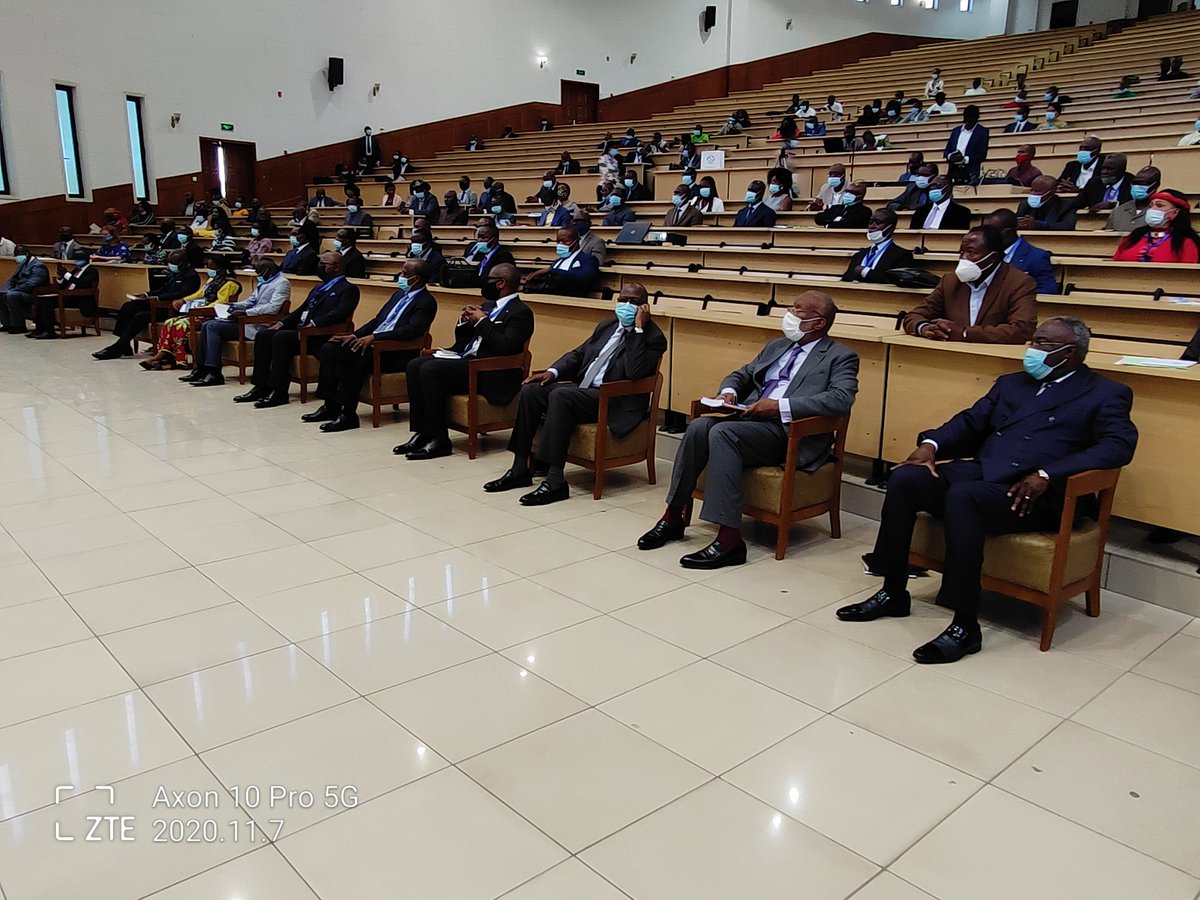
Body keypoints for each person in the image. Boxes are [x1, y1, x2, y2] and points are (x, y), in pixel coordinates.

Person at [841, 316, 1137, 662]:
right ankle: (893, 591)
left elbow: (1118, 446)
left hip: (1037, 494)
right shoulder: (1012, 384)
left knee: (964, 497)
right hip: (987, 472)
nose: (1031, 349)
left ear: (1069, 352)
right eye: (1033, 341)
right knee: (906, 478)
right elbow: (971, 422)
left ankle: (965, 626)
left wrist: (1047, 473)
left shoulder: (1105, 393)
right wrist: (932, 445)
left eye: (1041, 343)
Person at [636, 291, 859, 569]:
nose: (789, 314)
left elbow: (841, 399)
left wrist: (779, 406)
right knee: (699, 426)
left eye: (798, 310)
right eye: (791, 307)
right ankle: (673, 516)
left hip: (788, 432)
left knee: (723, 433)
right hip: (750, 420)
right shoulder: (777, 346)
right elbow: (741, 374)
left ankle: (729, 540)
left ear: (818, 322)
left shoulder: (840, 356)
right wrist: (729, 392)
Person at [486, 283, 667, 505]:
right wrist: (552, 372)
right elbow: (579, 354)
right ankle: (519, 468)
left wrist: (638, 330)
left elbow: (635, 371)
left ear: (644, 307)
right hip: (586, 391)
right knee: (532, 390)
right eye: (623, 300)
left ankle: (555, 481)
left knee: (561, 396)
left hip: (614, 399)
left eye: (634, 302)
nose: (626, 305)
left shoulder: (653, 337)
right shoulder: (608, 325)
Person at [395, 264, 534, 460]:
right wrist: (464, 322)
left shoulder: (521, 313)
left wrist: (482, 322)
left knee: (431, 369)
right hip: (468, 361)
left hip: (491, 371)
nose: (484, 283)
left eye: (489, 279)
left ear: (501, 283)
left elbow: (506, 346)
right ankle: (423, 432)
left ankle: (439, 440)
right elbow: (464, 342)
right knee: (415, 364)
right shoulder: (488, 306)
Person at [303, 259, 438, 432]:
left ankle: (348, 414)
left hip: (396, 352)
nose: (400, 276)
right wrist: (354, 335)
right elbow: (377, 321)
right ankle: (330, 405)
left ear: (416, 278)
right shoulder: (398, 295)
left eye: (404, 273)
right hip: (375, 345)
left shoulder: (426, 302)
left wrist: (374, 338)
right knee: (330, 348)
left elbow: (411, 331)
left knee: (353, 357)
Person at [234, 251, 361, 408]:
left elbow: (340, 313)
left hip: (320, 335)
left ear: (337, 268)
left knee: (282, 338)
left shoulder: (348, 289)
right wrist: (282, 323)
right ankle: (261, 386)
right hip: (303, 332)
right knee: (265, 335)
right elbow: (301, 310)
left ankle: (279, 392)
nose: (319, 267)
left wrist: (314, 323)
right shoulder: (319, 287)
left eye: (324, 264)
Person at [903, 226, 1037, 343]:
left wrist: (965, 333)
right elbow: (913, 316)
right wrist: (925, 328)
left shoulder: (1019, 283)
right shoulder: (950, 281)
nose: (963, 258)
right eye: (961, 252)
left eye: (971, 253)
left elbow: (1022, 330)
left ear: (993, 258)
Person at [185, 259, 290, 387]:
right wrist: (233, 305)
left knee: (212, 326)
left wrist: (246, 312)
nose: (258, 276)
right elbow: (250, 301)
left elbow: (273, 308)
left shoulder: (282, 283)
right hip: (246, 321)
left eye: (259, 273)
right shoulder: (265, 281)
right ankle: (201, 368)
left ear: (267, 271)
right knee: (206, 325)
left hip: (258, 323)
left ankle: (214, 372)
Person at [93, 250, 200, 359]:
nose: (171, 265)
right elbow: (162, 289)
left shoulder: (191, 276)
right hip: (157, 304)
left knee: (140, 316)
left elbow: (181, 294)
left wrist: (157, 298)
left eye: (174, 263)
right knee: (128, 307)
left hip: (171, 308)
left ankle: (119, 346)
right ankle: (125, 344)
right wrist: (146, 294)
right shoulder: (173, 274)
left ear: (182, 263)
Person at [140, 256, 242, 370]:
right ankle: (166, 357)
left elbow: (222, 302)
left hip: (213, 314)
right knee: (169, 322)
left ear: (221, 267)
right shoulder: (211, 280)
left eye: (212, 267)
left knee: (180, 325)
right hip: (199, 312)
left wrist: (202, 308)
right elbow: (200, 293)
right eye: (208, 266)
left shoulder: (231, 284)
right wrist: (184, 300)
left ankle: (175, 359)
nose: (209, 269)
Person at [30, 246, 99, 339]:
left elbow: (82, 283)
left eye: (79, 259)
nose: (76, 261)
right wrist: (61, 277)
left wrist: (66, 274)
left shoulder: (92, 271)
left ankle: (50, 332)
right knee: (41, 299)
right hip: (68, 297)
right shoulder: (76, 270)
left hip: (80, 300)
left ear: (86, 259)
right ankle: (40, 329)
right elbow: (64, 285)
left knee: (47, 301)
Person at [1112, 190, 1200, 263]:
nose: (1152, 209)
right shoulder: (1132, 238)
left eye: (1159, 205)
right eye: (1151, 205)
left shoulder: (1187, 243)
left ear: (1175, 212)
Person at [984, 209, 1058, 295]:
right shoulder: (983, 253)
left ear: (1006, 233)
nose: (986, 238)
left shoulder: (1036, 257)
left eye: (990, 234)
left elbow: (1047, 290)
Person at [523, 226, 600, 297]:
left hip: (573, 299)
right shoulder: (557, 262)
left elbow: (582, 278)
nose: (561, 244)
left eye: (565, 241)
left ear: (576, 241)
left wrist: (551, 270)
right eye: (558, 241)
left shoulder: (588, 259)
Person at [843, 209, 914, 283]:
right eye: (870, 222)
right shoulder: (859, 255)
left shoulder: (902, 256)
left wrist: (865, 272)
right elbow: (846, 278)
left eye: (878, 223)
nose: (872, 226)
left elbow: (895, 281)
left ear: (890, 228)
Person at [0, 247, 50, 335]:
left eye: (19, 254)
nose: (17, 257)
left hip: (34, 295)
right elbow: (12, 280)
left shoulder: (38, 266)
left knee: (12, 295)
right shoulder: (22, 264)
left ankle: (18, 326)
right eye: (16, 255)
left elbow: (30, 284)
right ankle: (7, 324)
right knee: (2, 293)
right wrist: (5, 290)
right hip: (21, 292)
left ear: (27, 254)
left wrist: (13, 290)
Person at [1106, 166, 1161, 232]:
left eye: (1143, 183)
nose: (1137, 186)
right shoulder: (1118, 211)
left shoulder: (1161, 211)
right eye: (1135, 183)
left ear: (1156, 185)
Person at [943, 105, 989, 182]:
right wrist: (950, 156)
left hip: (970, 171)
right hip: (953, 169)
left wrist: (965, 159)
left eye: (971, 119)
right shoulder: (956, 131)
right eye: (966, 118)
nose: (967, 121)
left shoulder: (982, 132)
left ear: (977, 118)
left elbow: (982, 155)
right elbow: (947, 150)